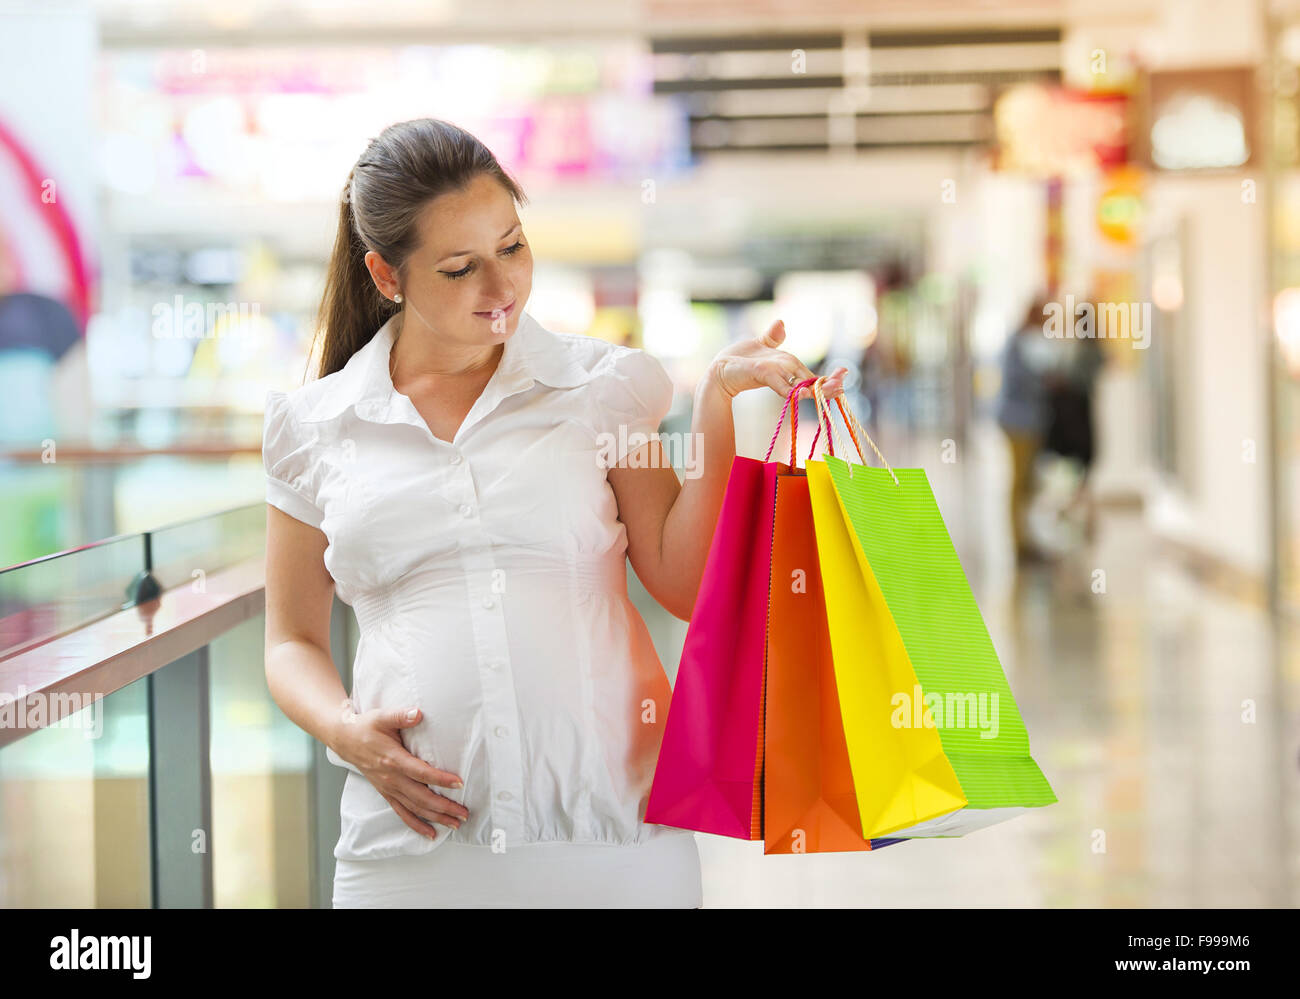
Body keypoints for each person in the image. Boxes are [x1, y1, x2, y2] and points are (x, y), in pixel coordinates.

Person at [261, 118, 847, 908]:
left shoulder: (598, 388)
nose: (502, 290)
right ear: (387, 275)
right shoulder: (314, 427)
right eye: (461, 268)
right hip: (410, 853)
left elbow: (682, 582)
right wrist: (343, 730)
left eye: (512, 247)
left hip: (615, 837)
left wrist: (717, 404)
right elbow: (291, 640)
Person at [995, 297, 1052, 565]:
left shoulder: (1028, 342)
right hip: (1018, 422)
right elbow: (1021, 381)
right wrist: (1045, 381)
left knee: (1028, 483)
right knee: (1018, 483)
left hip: (1030, 421)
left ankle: (1028, 538)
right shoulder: (1019, 343)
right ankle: (1018, 542)